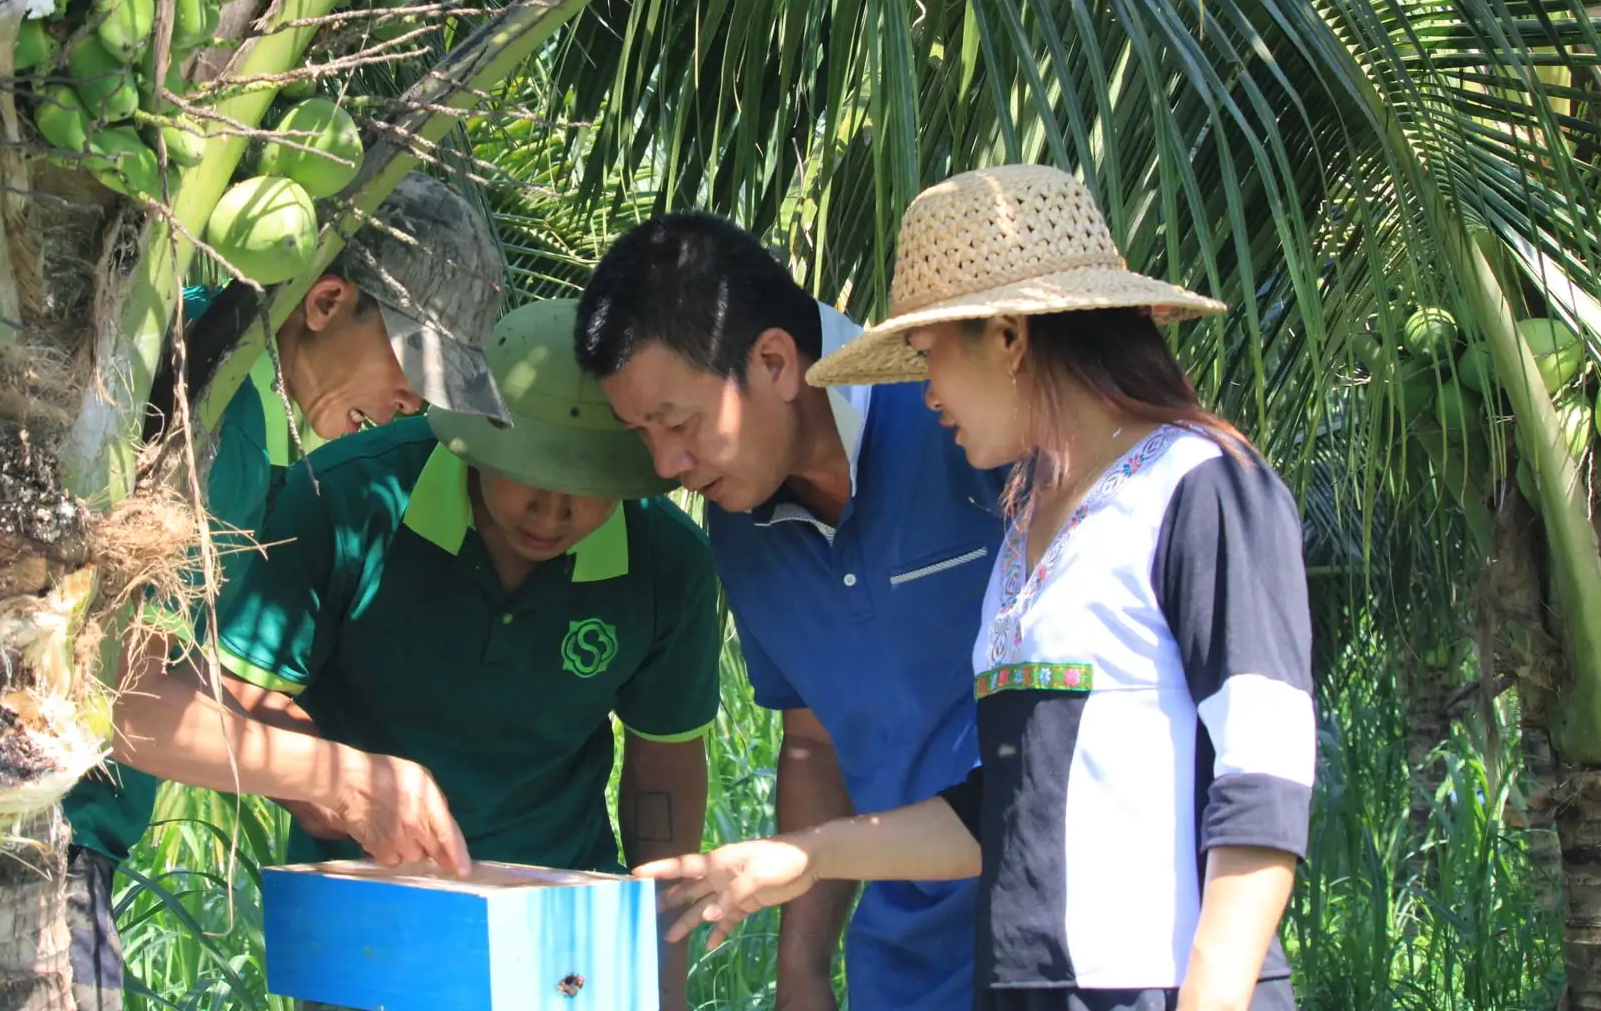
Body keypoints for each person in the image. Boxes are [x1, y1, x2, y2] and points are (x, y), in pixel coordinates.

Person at [637, 165, 1316, 1011]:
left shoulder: (1204, 484)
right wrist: (800, 857)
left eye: (929, 357)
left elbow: (1265, 785)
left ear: (1009, 337)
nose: (925, 395)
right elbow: (995, 809)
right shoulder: (1030, 530)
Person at [114, 297, 722, 1011]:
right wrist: (331, 787)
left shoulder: (668, 564)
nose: (552, 515)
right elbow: (233, 692)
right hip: (372, 924)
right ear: (473, 437)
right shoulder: (344, 499)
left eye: (588, 493)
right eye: (530, 476)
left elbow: (664, 766)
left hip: (566, 940)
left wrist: (662, 973)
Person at [64, 171, 511, 1011]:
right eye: (411, 365)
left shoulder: (211, 359)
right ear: (326, 301)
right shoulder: (220, 419)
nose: (413, 405)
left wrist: (304, 765)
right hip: (40, 854)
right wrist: (341, 778)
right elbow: (113, 700)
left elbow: (157, 659)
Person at [574, 215, 1007, 1011]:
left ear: (774, 360)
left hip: (1061, 948)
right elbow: (813, 743)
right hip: (904, 970)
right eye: (644, 436)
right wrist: (801, 968)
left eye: (679, 424)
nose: (667, 466)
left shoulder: (965, 417)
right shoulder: (739, 527)